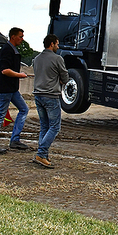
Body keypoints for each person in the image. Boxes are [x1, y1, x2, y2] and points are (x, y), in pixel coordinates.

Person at [0, 27, 30, 154]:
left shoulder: (11, 50)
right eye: (20, 36)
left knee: (24, 109)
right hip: (5, 89)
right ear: (13, 37)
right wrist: (19, 75)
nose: (22, 39)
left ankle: (15, 140)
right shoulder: (7, 50)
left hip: (11, 89)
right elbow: (5, 70)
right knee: (0, 116)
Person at [31, 34, 70, 168]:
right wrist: (61, 80)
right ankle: (41, 154)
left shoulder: (36, 59)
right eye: (57, 44)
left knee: (44, 127)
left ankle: (43, 154)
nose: (58, 47)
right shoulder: (57, 59)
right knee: (55, 127)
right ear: (52, 44)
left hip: (38, 95)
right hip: (51, 96)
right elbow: (65, 76)